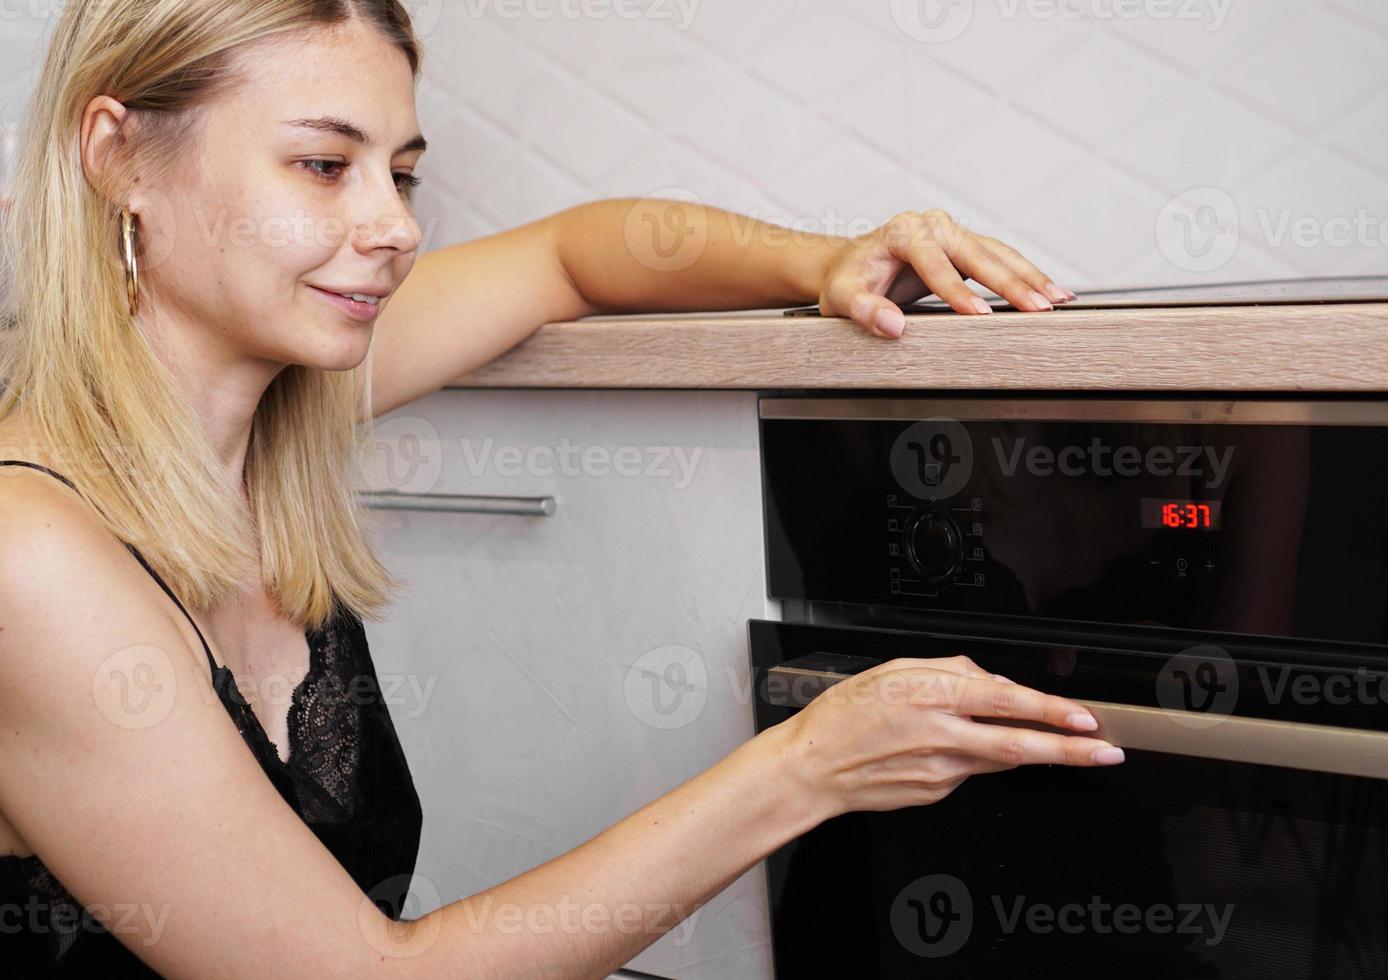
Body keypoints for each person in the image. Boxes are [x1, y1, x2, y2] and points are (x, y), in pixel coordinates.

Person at [0, 1, 1120, 976]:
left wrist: (823, 261)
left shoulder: (285, 395)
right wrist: (806, 766)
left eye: (402, 172)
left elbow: (573, 256)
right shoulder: (31, 553)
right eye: (322, 165)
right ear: (118, 156)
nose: (393, 226)